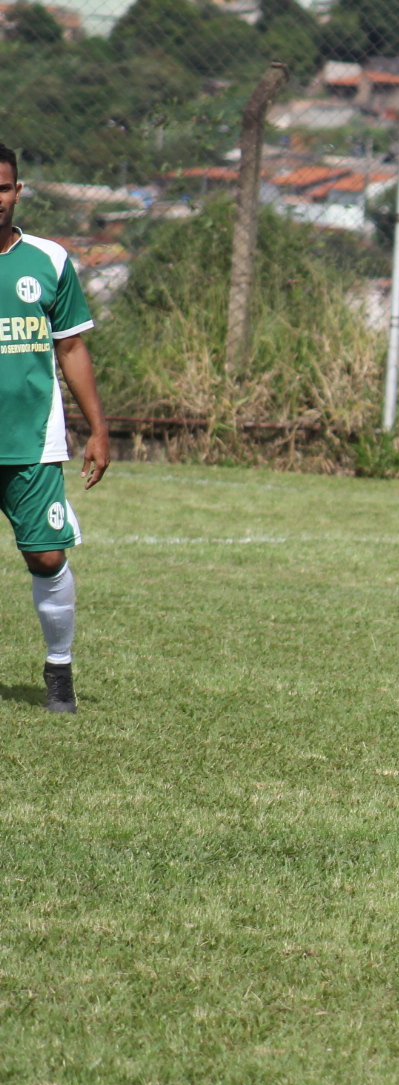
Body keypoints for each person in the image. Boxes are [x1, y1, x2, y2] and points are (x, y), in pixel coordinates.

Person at [0, 144, 111, 713]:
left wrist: (97, 427)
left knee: (46, 558)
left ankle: (59, 669)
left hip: (32, 443)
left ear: (18, 192)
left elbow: (70, 345)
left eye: (2, 187)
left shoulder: (49, 259)